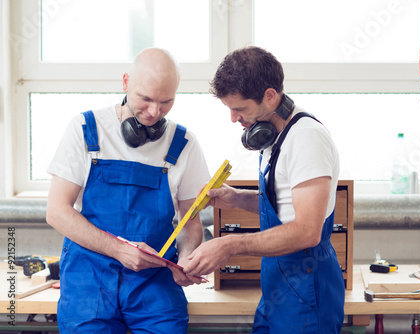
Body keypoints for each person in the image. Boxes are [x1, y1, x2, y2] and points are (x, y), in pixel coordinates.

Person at [46, 47, 210, 333]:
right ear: (125, 82)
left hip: (154, 284)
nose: (154, 112)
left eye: (166, 102)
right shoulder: (85, 129)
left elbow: (190, 220)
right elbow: (57, 212)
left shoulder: (184, 144)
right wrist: (119, 250)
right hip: (89, 280)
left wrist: (186, 257)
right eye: (145, 99)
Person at [183, 46, 345, 333]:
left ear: (270, 96)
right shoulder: (274, 135)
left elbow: (308, 231)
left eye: (239, 108)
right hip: (277, 290)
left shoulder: (306, 140)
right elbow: (285, 205)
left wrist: (230, 244)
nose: (234, 118)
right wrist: (237, 199)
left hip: (306, 294)